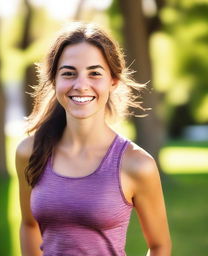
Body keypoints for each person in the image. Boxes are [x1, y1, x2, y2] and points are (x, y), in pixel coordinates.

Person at [15, 22, 171, 256]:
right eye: (68, 73)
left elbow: (159, 245)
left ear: (113, 81)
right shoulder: (30, 153)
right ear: (54, 80)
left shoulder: (137, 164)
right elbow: (29, 225)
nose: (81, 85)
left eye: (95, 73)